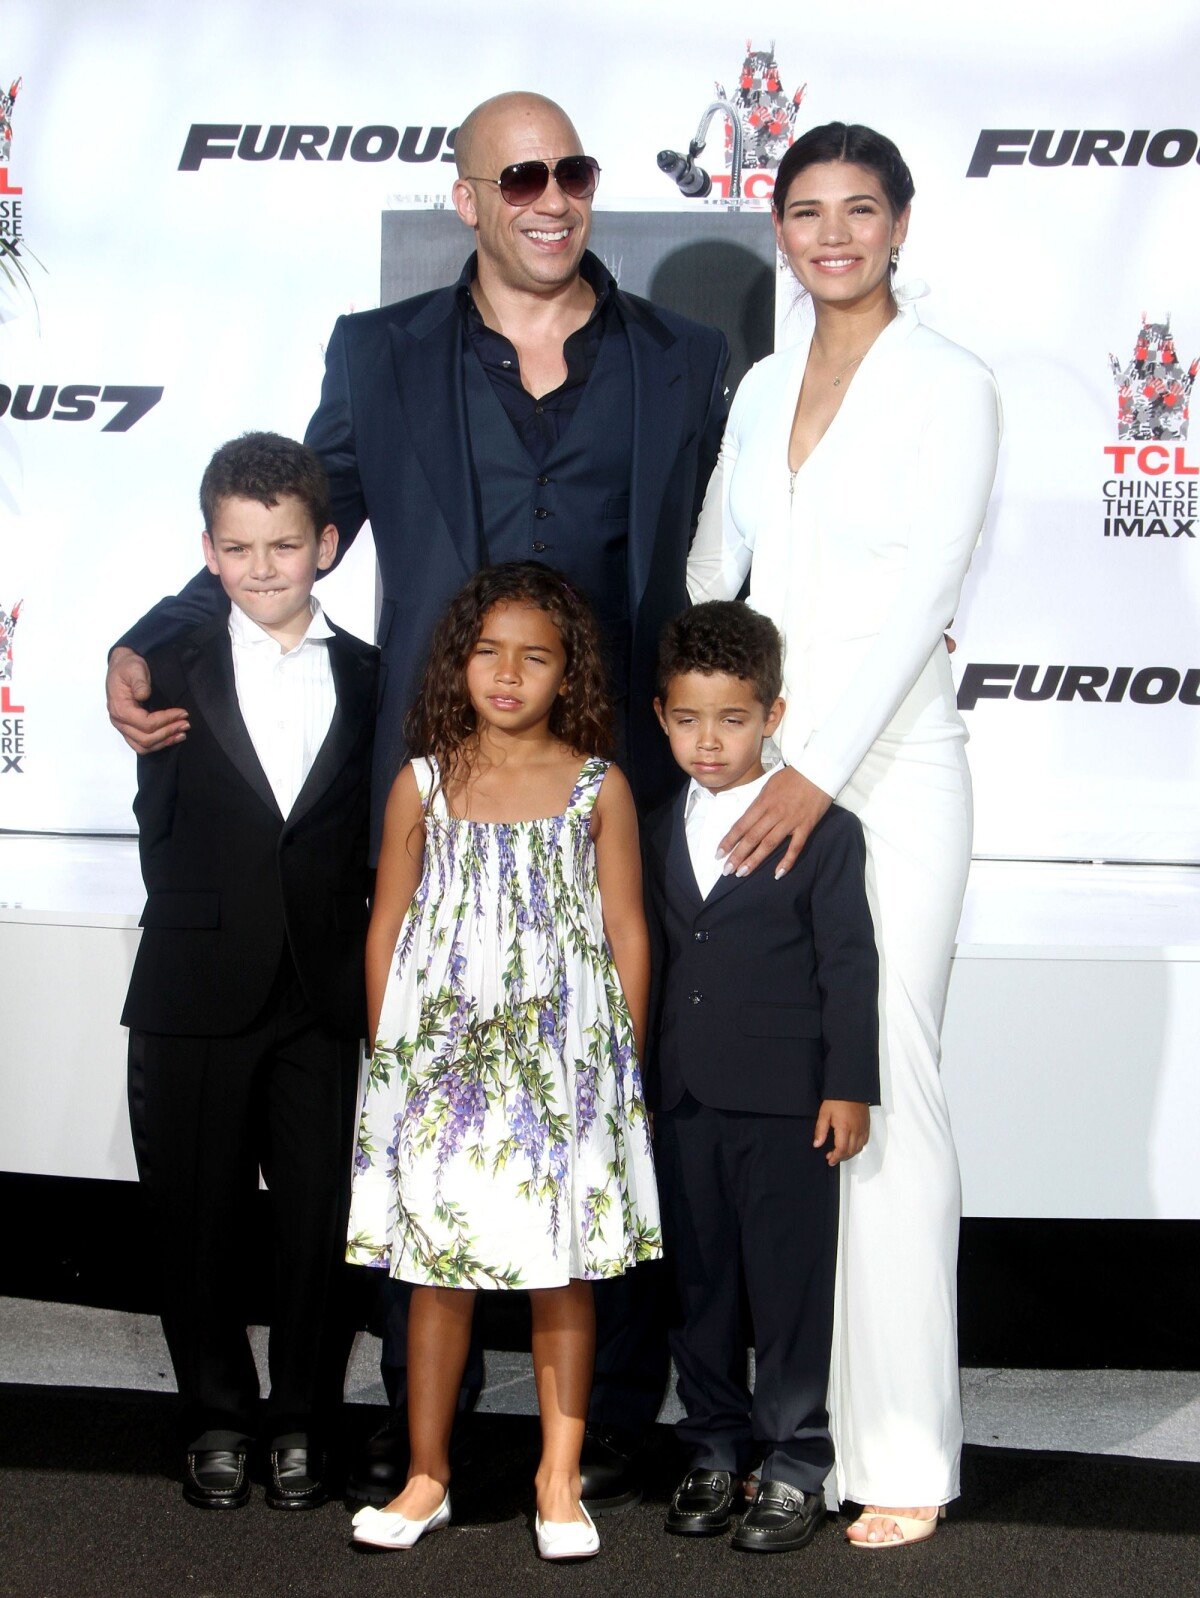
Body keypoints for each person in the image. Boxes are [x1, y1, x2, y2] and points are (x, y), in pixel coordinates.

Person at [105, 89, 728, 1510]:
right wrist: (149, 634)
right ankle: (412, 1424)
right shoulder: (377, 357)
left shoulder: (684, 361)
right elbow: (293, 526)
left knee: (598, 1091)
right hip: (433, 803)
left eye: (571, 171)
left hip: (601, 794)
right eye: (519, 176)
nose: (550, 197)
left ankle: (618, 1415)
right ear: (468, 197)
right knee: (420, 1101)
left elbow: (737, 552)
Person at [687, 123, 1002, 1546]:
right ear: (779, 229)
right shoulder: (759, 386)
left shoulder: (955, 385)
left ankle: (906, 1451)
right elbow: (715, 565)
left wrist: (808, 769)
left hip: (889, 768)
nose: (832, 235)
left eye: (858, 210)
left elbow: (932, 578)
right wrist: (725, 728)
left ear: (901, 224)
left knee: (891, 1088)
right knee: (790, 1091)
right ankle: (790, 1427)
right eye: (805, 211)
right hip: (767, 774)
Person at [344, 562, 660, 1559]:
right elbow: (387, 922)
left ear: (568, 672)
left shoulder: (599, 785)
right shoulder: (424, 782)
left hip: (565, 1071)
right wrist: (390, 1058)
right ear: (460, 663)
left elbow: (625, 927)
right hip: (441, 1067)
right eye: (489, 650)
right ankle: (427, 1473)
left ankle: (558, 1480)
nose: (510, 672)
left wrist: (623, 1068)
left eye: (536, 654)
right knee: (438, 1275)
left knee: (563, 1273)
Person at [121, 432, 378, 1511]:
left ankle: (301, 1421)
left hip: (322, 991)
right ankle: (218, 1413)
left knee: (319, 1220)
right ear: (207, 551)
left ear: (325, 543)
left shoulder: (371, 674)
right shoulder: (154, 665)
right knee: (197, 1215)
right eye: (238, 546)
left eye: (283, 543)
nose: (263, 566)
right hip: (191, 988)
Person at [642, 601, 878, 1555]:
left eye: (732, 719)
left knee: (787, 1289)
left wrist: (848, 1083)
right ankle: (710, 1445)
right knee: (698, 1285)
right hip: (683, 1098)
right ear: (661, 715)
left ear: (773, 714)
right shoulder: (652, 824)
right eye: (689, 720)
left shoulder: (825, 829)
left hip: (788, 1103)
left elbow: (848, 963)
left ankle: (793, 1462)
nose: (709, 741)